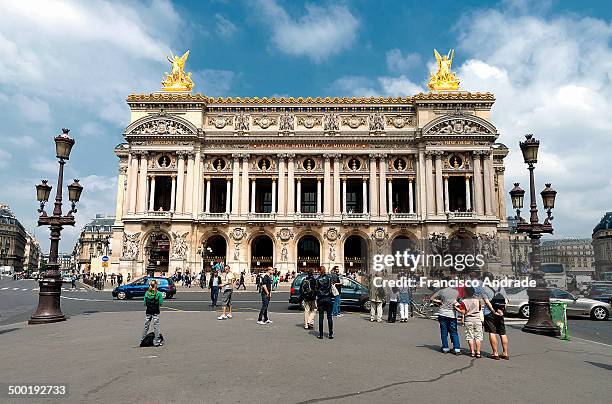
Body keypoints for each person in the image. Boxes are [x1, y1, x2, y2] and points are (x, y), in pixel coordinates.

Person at [481, 272, 509, 360]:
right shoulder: (500, 286)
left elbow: (487, 302)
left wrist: (493, 310)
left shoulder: (484, 288)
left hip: (489, 312)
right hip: (500, 312)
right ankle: (505, 353)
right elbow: (506, 300)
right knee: (502, 333)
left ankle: (495, 353)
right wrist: (501, 310)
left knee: (492, 332)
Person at [431, 285, 461, 355]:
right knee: (454, 331)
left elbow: (432, 298)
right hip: (452, 314)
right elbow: (458, 301)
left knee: (444, 331)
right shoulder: (456, 292)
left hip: (443, 313)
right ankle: (456, 348)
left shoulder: (441, 291)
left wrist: (439, 301)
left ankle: (445, 348)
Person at [456, 286, 483, 358]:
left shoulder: (463, 302)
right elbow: (479, 309)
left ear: (466, 293)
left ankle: (472, 352)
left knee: (470, 336)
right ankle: (478, 352)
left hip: (469, 320)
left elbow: (463, 312)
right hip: (477, 320)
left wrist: (456, 308)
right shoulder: (478, 300)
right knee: (478, 336)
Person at [142, 279, 163, 347]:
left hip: (148, 311)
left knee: (146, 326)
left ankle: (143, 340)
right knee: (156, 327)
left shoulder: (147, 293)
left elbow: (145, 303)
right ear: (156, 285)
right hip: (155, 311)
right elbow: (161, 303)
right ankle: (156, 342)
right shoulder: (159, 293)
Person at [315, 266, 334, 339]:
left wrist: (319, 294)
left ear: (319, 271)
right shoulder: (329, 278)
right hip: (328, 299)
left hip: (321, 300)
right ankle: (330, 334)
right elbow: (330, 288)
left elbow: (316, 289)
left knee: (321, 317)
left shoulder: (318, 279)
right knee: (329, 317)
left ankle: (321, 334)